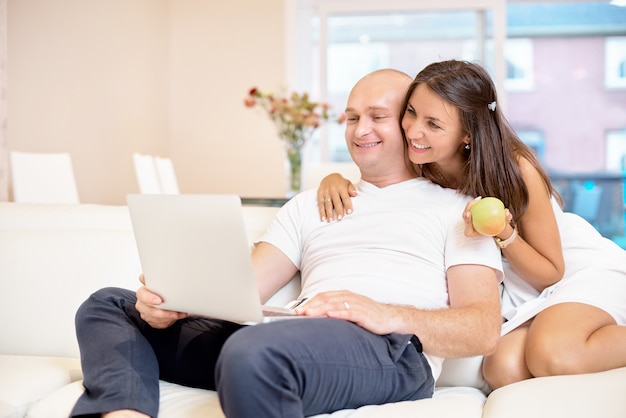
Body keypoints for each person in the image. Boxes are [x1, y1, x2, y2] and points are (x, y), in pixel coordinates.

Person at [70, 68, 503, 418]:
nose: (359, 130)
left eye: (377, 116)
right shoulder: (309, 204)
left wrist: (383, 314)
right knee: (108, 304)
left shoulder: (458, 210)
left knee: (253, 353)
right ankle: (123, 411)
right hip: (288, 338)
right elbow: (242, 291)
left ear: (410, 124)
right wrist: (178, 301)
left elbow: (482, 329)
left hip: (389, 351)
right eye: (352, 117)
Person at [317, 59, 626, 390]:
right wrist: (333, 179)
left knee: (555, 354)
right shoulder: (420, 158)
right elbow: (376, 178)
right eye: (411, 112)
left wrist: (502, 232)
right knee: (503, 370)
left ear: (467, 133)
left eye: (434, 124)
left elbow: (551, 272)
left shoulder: (515, 169)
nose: (414, 130)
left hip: (569, 269)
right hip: (516, 289)